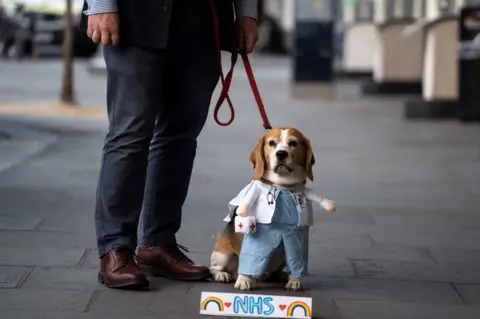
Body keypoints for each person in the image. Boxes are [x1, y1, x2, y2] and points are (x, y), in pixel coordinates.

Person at [80, 0, 259, 289]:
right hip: (135, 16)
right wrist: (101, 5)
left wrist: (247, 13)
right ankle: (116, 248)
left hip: (203, 21)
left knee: (180, 137)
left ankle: (157, 244)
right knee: (129, 134)